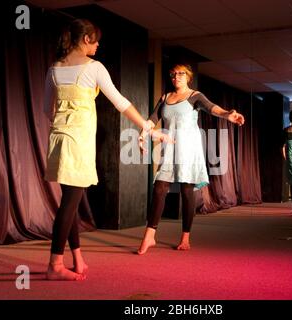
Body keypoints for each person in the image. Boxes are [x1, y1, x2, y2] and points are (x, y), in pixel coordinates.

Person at [43, 19, 171, 280]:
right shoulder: (94, 68)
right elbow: (121, 103)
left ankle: (77, 258)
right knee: (69, 203)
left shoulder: (54, 68)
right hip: (78, 141)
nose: (99, 44)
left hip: (58, 139)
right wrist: (148, 127)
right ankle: (55, 265)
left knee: (71, 201)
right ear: (86, 39)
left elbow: (48, 110)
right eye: (96, 39)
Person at [137, 64, 245, 255]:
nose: (176, 77)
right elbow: (152, 118)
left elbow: (212, 108)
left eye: (180, 74)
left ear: (188, 77)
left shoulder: (195, 96)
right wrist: (143, 131)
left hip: (189, 149)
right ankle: (149, 235)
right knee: (159, 188)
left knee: (187, 192)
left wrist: (228, 114)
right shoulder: (165, 98)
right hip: (169, 148)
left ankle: (185, 237)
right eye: (173, 74)